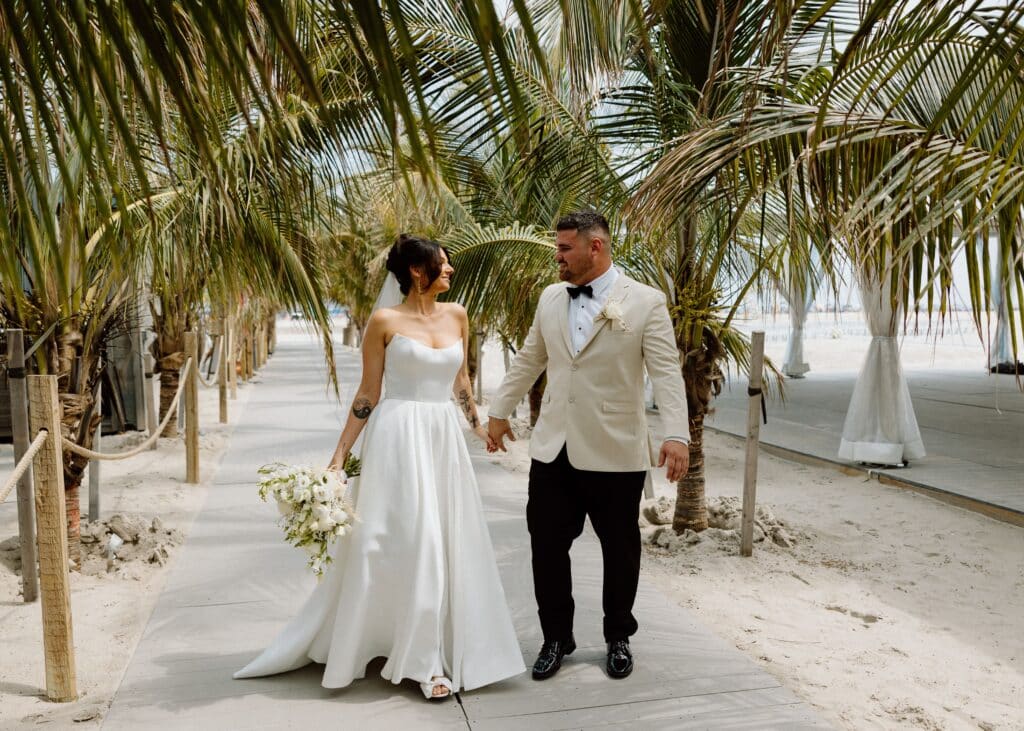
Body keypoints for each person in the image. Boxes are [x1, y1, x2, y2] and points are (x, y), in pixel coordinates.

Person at [235, 234, 525, 700]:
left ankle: (427, 653)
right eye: (442, 264)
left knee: (442, 540)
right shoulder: (384, 321)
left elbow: (462, 382)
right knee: (406, 542)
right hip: (396, 438)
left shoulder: (458, 315)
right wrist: (337, 459)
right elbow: (368, 393)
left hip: (442, 440)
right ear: (416, 270)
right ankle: (420, 660)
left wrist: (479, 429)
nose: (450, 270)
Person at [487, 211, 690, 681]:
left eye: (564, 249)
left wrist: (676, 435)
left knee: (620, 549)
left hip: (616, 449)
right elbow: (529, 358)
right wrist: (499, 411)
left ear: (594, 247)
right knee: (547, 547)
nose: (557, 257)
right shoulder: (550, 298)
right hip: (553, 449)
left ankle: (618, 635)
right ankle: (556, 637)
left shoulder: (646, 302)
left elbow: (665, 372)